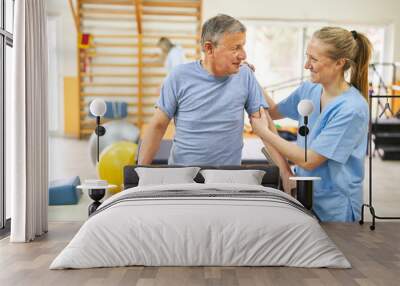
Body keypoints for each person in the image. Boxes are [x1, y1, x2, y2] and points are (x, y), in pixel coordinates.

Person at [139, 14, 293, 189]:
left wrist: (286, 172)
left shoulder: (245, 76)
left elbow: (265, 126)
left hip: (227, 180)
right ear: (209, 48)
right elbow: (158, 126)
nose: (243, 55)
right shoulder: (179, 76)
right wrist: (140, 173)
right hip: (182, 179)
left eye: (243, 46)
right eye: (236, 48)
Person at [250, 27, 372, 222]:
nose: (307, 65)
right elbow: (273, 111)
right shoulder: (309, 89)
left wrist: (264, 132)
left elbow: (310, 160)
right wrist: (251, 79)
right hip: (304, 194)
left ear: (340, 63)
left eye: (314, 59)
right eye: (307, 57)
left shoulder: (352, 109)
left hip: (336, 206)